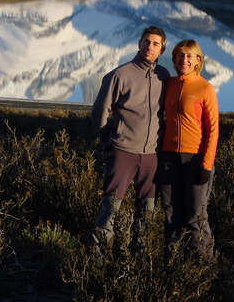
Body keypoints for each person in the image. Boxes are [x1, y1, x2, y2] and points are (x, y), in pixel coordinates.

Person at [90, 26, 170, 251]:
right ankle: (98, 255)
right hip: (123, 151)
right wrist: (109, 139)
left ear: (162, 49)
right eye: (146, 41)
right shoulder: (120, 74)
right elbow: (100, 112)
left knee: (147, 209)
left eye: (155, 43)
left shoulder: (164, 76)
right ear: (139, 43)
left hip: (151, 155)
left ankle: (140, 256)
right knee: (110, 207)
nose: (149, 46)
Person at [158, 39, 219, 259]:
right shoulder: (169, 84)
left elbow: (213, 130)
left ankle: (202, 267)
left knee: (196, 216)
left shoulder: (205, 88)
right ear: (174, 59)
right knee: (171, 214)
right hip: (168, 157)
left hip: (195, 159)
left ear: (197, 61)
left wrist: (206, 164)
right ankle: (173, 265)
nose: (184, 59)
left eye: (190, 56)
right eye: (180, 55)